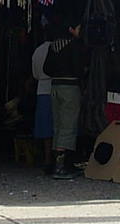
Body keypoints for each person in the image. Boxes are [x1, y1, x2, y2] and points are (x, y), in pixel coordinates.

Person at [44, 13, 85, 180]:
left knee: (58, 125)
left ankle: (55, 163)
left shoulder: (53, 45)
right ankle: (61, 167)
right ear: (71, 29)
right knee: (68, 126)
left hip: (55, 86)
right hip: (70, 87)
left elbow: (47, 69)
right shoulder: (75, 45)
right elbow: (79, 68)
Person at [31, 24, 54, 174]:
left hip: (42, 90)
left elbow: (35, 74)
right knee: (57, 125)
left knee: (45, 127)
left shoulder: (38, 51)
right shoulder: (58, 48)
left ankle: (46, 158)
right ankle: (57, 158)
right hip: (55, 86)